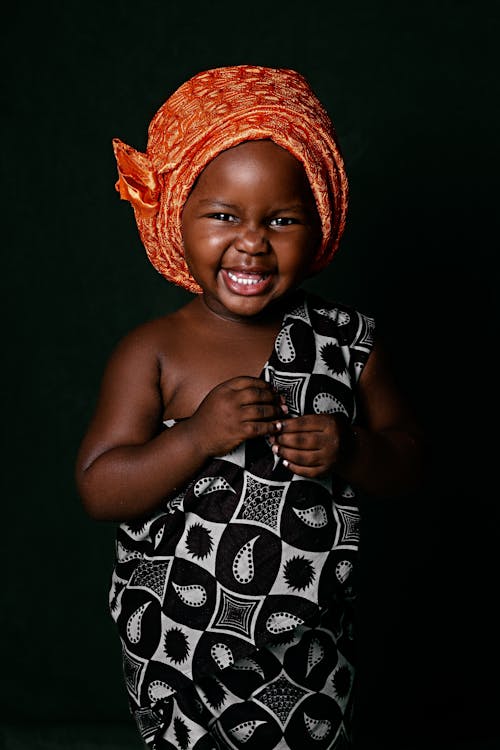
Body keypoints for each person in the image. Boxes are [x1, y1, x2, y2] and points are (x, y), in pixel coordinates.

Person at [76, 65, 423, 750]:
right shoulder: (155, 351)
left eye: (283, 219)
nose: (253, 241)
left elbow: (410, 460)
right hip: (180, 646)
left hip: (309, 648)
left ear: (318, 224)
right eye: (224, 215)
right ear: (179, 218)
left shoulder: (349, 343)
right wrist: (197, 436)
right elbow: (99, 488)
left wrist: (352, 449)